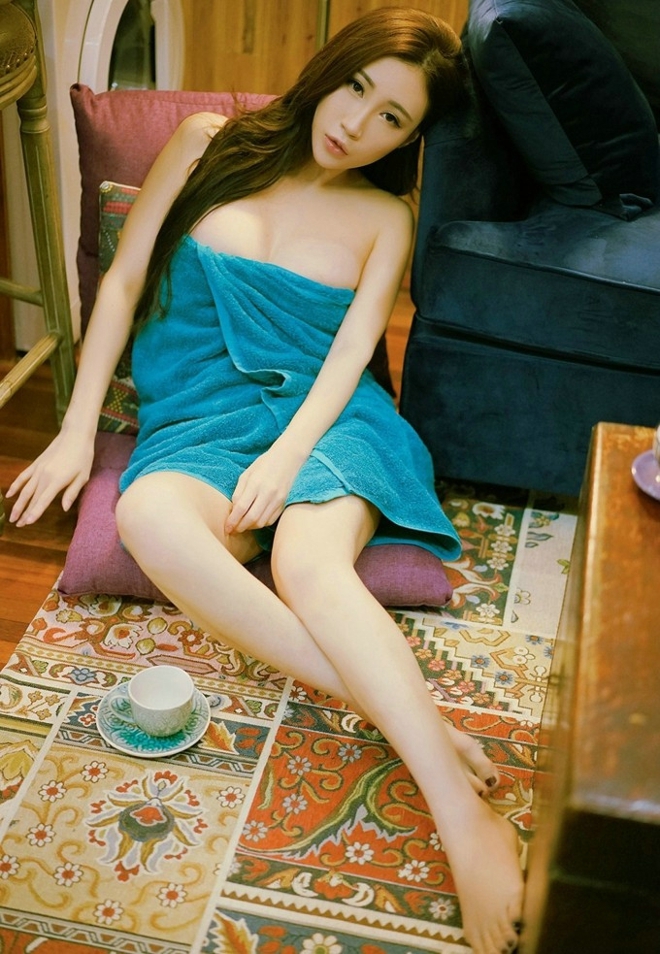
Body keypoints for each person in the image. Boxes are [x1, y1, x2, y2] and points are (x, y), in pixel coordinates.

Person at [7, 8, 523, 953]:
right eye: (357, 87)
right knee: (147, 515)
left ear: (409, 141)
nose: (356, 123)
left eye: (392, 119)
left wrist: (288, 460)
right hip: (199, 419)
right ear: (332, 69)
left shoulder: (386, 216)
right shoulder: (209, 144)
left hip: (330, 424)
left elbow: (351, 359)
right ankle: (409, 720)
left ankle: (462, 820)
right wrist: (78, 431)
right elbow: (122, 283)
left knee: (308, 567)